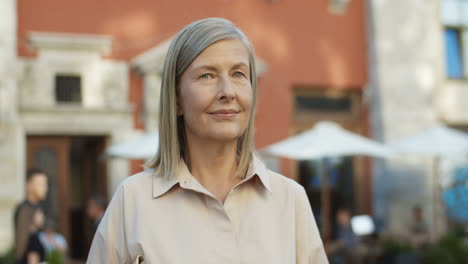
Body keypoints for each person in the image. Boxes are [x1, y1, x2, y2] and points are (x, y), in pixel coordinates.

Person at [87, 17, 328, 263]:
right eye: (207, 76)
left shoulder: (290, 199)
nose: (228, 92)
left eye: (238, 74)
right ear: (177, 98)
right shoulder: (132, 200)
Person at [14, 168, 48, 264]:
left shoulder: (36, 208)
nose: (45, 188)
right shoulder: (26, 209)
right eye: (41, 184)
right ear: (28, 186)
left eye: (45, 184)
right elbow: (26, 247)